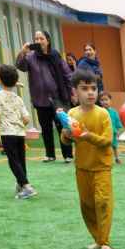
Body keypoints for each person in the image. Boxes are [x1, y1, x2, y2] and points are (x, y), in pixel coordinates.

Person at [61, 69, 115, 249]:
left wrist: (87, 135)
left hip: (101, 167)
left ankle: (105, 240)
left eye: (93, 88)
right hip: (82, 167)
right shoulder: (72, 113)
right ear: (75, 91)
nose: (90, 92)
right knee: (87, 205)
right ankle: (98, 238)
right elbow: (65, 140)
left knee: (103, 201)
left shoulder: (103, 114)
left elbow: (107, 140)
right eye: (85, 88)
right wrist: (66, 135)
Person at [16, 30, 73, 163]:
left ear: (48, 40)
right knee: (46, 128)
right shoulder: (30, 56)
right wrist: (23, 52)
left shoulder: (55, 55)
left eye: (41, 38)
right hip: (40, 99)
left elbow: (67, 73)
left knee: (62, 125)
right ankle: (50, 154)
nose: (38, 41)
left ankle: (68, 155)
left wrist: (72, 92)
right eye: (36, 39)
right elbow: (20, 66)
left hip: (58, 97)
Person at [0, 64, 37, 199]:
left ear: (0, 79)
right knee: (21, 160)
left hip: (7, 133)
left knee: (13, 161)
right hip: (20, 134)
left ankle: (27, 186)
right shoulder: (18, 98)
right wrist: (19, 125)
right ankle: (21, 184)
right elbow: (26, 119)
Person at [99, 91, 123, 164]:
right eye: (102, 100)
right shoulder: (99, 112)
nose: (104, 102)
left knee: (114, 146)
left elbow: (117, 121)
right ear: (99, 102)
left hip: (113, 133)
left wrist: (118, 131)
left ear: (110, 101)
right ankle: (104, 159)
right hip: (103, 133)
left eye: (106, 99)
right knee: (104, 146)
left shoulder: (114, 112)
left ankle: (117, 158)